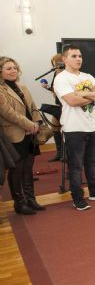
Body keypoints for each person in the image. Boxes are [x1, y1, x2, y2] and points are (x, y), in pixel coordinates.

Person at [53, 45, 95, 210]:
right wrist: (91, 96)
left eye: (80, 56)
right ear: (65, 59)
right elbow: (72, 101)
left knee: (92, 162)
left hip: (93, 126)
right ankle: (78, 197)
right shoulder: (62, 78)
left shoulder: (87, 76)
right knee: (76, 165)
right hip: (74, 128)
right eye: (74, 56)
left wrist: (82, 94)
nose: (78, 59)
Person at [0, 57, 45, 214]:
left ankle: (31, 199)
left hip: (30, 133)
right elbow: (8, 113)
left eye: (15, 68)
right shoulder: (1, 89)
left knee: (28, 167)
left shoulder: (22, 87)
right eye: (8, 68)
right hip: (14, 134)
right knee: (17, 169)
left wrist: (37, 123)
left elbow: (33, 107)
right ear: (1, 71)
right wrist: (29, 125)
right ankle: (19, 203)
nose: (13, 71)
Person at [40, 53, 64, 162]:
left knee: (67, 130)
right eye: (54, 63)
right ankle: (59, 153)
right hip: (59, 105)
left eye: (57, 63)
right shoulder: (56, 73)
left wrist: (49, 87)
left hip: (67, 107)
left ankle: (65, 153)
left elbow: (61, 90)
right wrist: (48, 87)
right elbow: (55, 89)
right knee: (55, 129)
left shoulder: (66, 74)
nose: (55, 65)